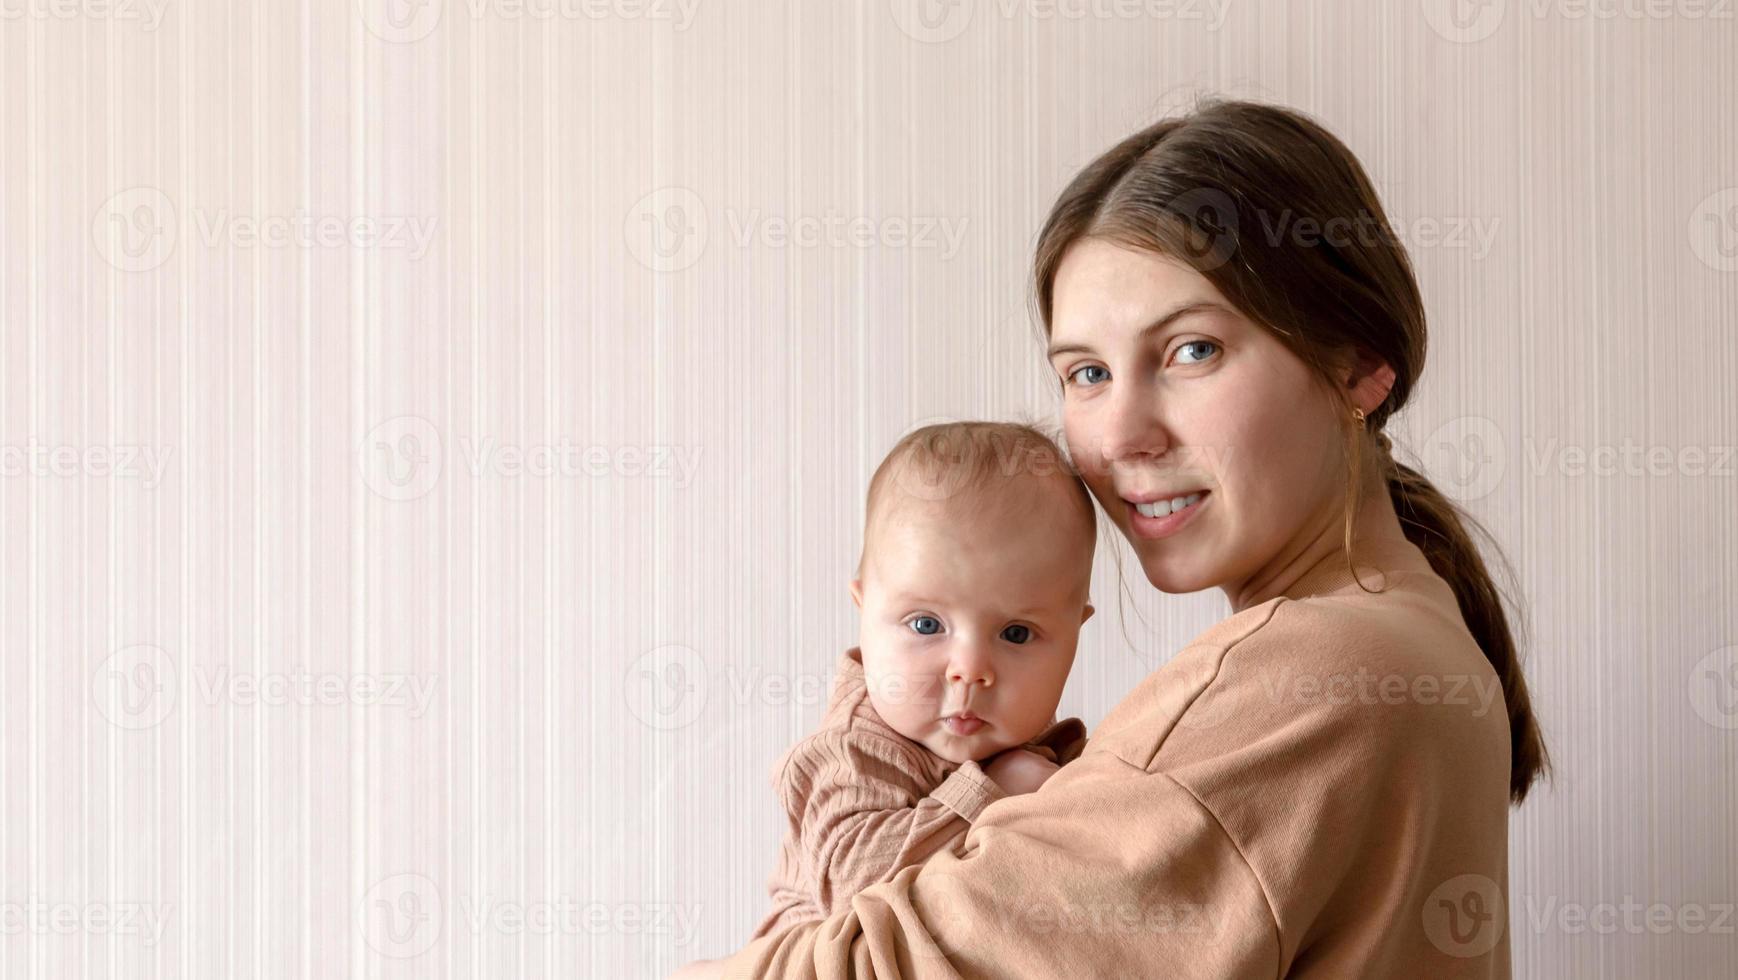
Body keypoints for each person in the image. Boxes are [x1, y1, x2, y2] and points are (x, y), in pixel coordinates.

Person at [676, 98, 1548, 979]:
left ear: (1357, 362)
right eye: (1086, 373)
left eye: (1191, 351)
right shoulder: (1413, 627)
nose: (1122, 434)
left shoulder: (1309, 680)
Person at [749, 422, 1096, 940]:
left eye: (1017, 633)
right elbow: (855, 887)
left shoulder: (1025, 739)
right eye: (927, 625)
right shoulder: (853, 749)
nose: (970, 669)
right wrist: (995, 789)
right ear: (864, 611)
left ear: (1074, 634)